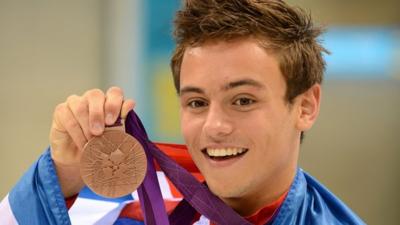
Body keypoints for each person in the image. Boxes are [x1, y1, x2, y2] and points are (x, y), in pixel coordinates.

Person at [0, 0, 365, 224]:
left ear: (305, 106)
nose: (215, 126)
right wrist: (60, 178)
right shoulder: (121, 203)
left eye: (243, 100)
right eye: (196, 103)